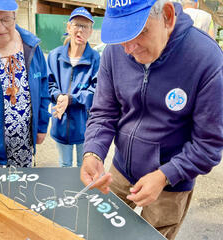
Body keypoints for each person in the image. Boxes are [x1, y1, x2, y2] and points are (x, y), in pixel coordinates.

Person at [80, 0, 223, 239]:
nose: (128, 48)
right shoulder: (116, 49)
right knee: (100, 233)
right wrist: (93, 153)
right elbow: (104, 111)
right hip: (120, 171)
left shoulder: (207, 60)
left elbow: (208, 145)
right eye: (121, 34)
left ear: (167, 16)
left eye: (139, 32)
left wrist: (165, 175)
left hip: (171, 184)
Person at [0, 0, 50, 168]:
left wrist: (41, 127)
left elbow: (43, 87)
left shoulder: (31, 46)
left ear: (15, 16)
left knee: (22, 193)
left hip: (24, 151)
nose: (0, 28)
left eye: (6, 19)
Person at [47, 7, 100, 167]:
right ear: (69, 27)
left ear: (91, 31)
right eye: (77, 25)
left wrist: (71, 99)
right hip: (61, 124)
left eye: (86, 26)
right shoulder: (55, 56)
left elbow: (96, 90)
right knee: (65, 166)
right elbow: (49, 84)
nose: (81, 30)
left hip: (85, 126)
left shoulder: (95, 58)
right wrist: (59, 97)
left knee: (85, 168)